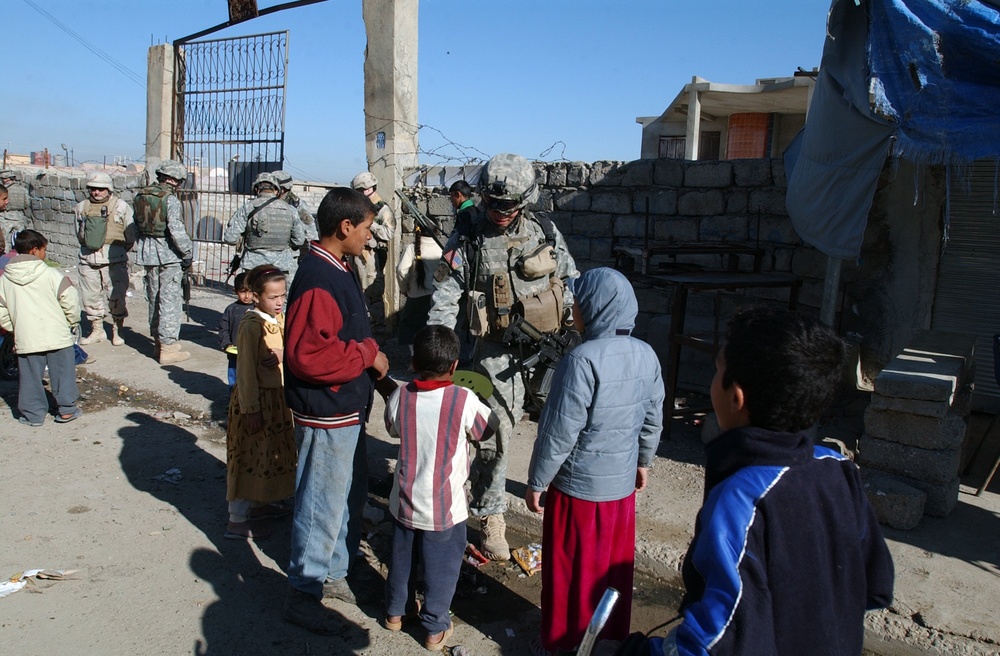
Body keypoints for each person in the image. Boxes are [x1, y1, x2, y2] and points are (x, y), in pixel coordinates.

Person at [625, 307, 894, 656]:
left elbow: (713, 640)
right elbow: (875, 583)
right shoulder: (838, 469)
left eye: (717, 370)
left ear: (736, 397)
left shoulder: (741, 501)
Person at [428, 152, 579, 561]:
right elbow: (446, 295)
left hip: (548, 349)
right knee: (497, 433)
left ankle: (568, 507)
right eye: (493, 204)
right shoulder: (470, 234)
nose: (500, 213)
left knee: (564, 427)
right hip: (496, 352)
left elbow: (572, 282)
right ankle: (492, 515)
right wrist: (437, 350)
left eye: (509, 206)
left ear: (525, 200)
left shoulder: (543, 230)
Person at [525, 267, 664, 656]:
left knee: (571, 571)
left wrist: (538, 481)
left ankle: (563, 644)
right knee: (611, 571)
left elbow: (558, 432)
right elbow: (653, 417)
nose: (573, 308)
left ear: (595, 308)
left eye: (578, 302)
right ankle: (609, 644)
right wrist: (644, 461)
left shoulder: (581, 360)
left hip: (578, 493)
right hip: (620, 493)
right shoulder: (647, 355)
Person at [282, 186, 390, 634]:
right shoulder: (318, 279)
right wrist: (366, 354)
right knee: (320, 503)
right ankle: (304, 591)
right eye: (366, 229)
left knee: (348, 495)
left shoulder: (340, 267)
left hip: (345, 409)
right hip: (326, 413)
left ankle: (334, 572)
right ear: (345, 227)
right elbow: (309, 356)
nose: (370, 237)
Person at [382, 325, 499, 651]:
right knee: (442, 568)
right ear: (454, 366)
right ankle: (434, 628)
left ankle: (395, 613)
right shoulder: (462, 399)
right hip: (444, 509)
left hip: (404, 503)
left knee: (401, 560)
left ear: (413, 363)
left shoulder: (401, 395)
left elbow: (392, 429)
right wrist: (482, 398)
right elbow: (487, 429)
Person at [225, 265, 296, 541]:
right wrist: (251, 409)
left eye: (282, 296)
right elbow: (244, 373)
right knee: (248, 456)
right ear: (255, 296)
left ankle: (261, 502)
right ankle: (237, 519)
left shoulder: (278, 319)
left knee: (267, 454)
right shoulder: (251, 326)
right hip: (256, 403)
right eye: (272, 297)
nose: (279, 302)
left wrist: (281, 352)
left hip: (276, 400)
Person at [0, 229, 82, 426]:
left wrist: (15, 327)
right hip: (57, 335)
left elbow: (1, 311)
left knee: (29, 379)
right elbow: (70, 300)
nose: (45, 254)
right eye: (44, 249)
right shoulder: (52, 274)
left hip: (27, 337)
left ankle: (33, 415)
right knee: (63, 374)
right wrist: (70, 322)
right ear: (35, 250)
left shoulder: (5, 280)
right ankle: (67, 411)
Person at [133, 159, 195, 365]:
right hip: (167, 254)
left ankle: (158, 343)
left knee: (153, 297)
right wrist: (187, 253)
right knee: (170, 300)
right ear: (176, 180)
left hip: (147, 252)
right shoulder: (170, 200)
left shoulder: (141, 195)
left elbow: (136, 226)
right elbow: (176, 230)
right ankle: (167, 348)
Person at [75, 171, 136, 346]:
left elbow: (130, 235)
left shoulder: (121, 206)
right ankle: (97, 330)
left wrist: (118, 252)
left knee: (116, 297)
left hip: (114, 261)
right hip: (88, 259)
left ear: (108, 189)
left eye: (100, 189)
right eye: (93, 189)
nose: (96, 193)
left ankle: (118, 329)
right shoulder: (82, 207)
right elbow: (79, 234)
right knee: (90, 297)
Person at [224, 172, 305, 279]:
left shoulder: (247, 208)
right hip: (281, 266)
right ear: (276, 190)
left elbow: (230, 238)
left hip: (253, 266)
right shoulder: (291, 210)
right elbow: (299, 240)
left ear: (257, 190)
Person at [350, 170, 398, 312]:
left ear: (368, 189)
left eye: (359, 191)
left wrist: (370, 223)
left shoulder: (382, 209)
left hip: (372, 256)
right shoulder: (361, 208)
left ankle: (377, 328)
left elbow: (389, 232)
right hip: (358, 254)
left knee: (371, 293)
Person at [395, 225, 442, 352]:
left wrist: (404, 287)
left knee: (410, 326)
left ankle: (414, 357)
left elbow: (400, 270)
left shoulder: (411, 248)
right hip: (435, 295)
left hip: (416, 295)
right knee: (431, 327)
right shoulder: (441, 248)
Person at [218, 271, 254, 391]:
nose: (247, 296)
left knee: (252, 378)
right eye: (243, 292)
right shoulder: (231, 310)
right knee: (234, 377)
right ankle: (234, 403)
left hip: (254, 353)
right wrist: (226, 344)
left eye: (250, 291)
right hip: (235, 353)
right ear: (235, 291)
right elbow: (224, 329)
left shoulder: (259, 309)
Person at [273, 170, 319, 244]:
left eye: (273, 187)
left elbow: (311, 232)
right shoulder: (264, 202)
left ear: (282, 189)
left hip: (287, 252)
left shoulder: (297, 205)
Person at [0, 169, 31, 248]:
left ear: (5, 179)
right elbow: (27, 204)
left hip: (5, 217)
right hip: (19, 217)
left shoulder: (3, 190)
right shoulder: (22, 189)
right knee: (19, 241)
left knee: (4, 241)